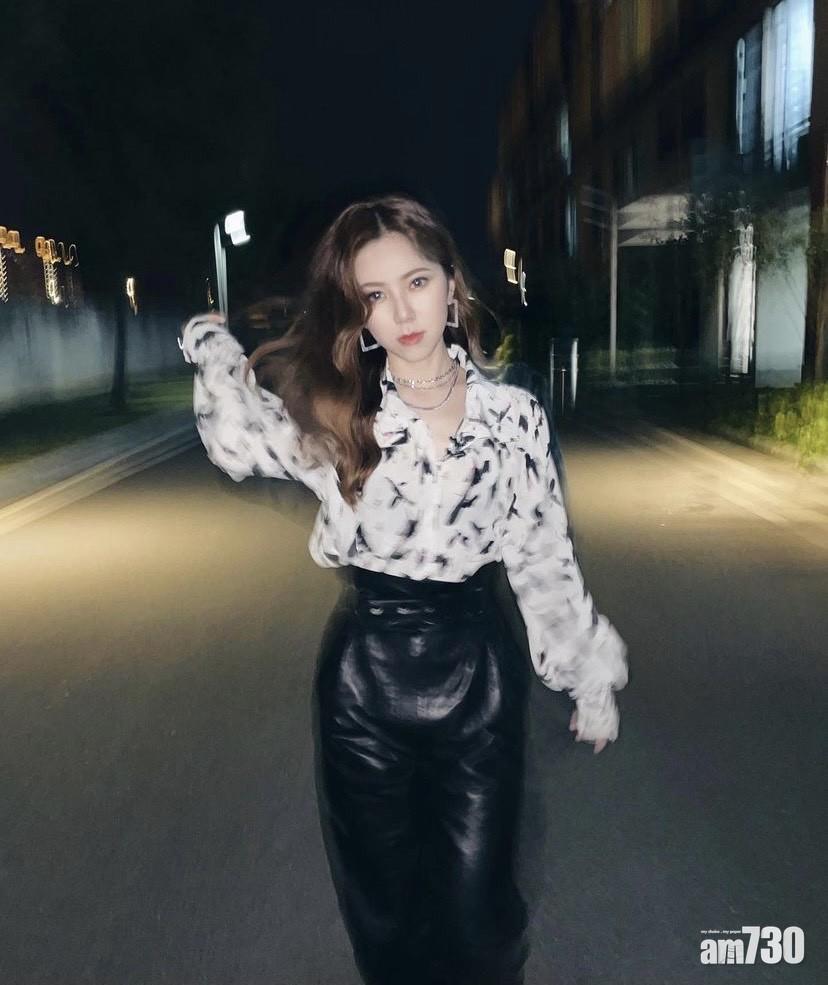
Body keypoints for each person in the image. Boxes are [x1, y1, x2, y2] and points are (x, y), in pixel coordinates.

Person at [177, 194, 628, 985]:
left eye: (416, 282)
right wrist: (211, 345)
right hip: (365, 685)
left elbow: (542, 556)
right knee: (386, 920)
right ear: (358, 314)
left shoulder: (513, 418)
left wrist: (588, 677)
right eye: (375, 295)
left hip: (477, 679)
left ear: (452, 285)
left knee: (481, 918)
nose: (402, 311)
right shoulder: (338, 411)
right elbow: (238, 439)